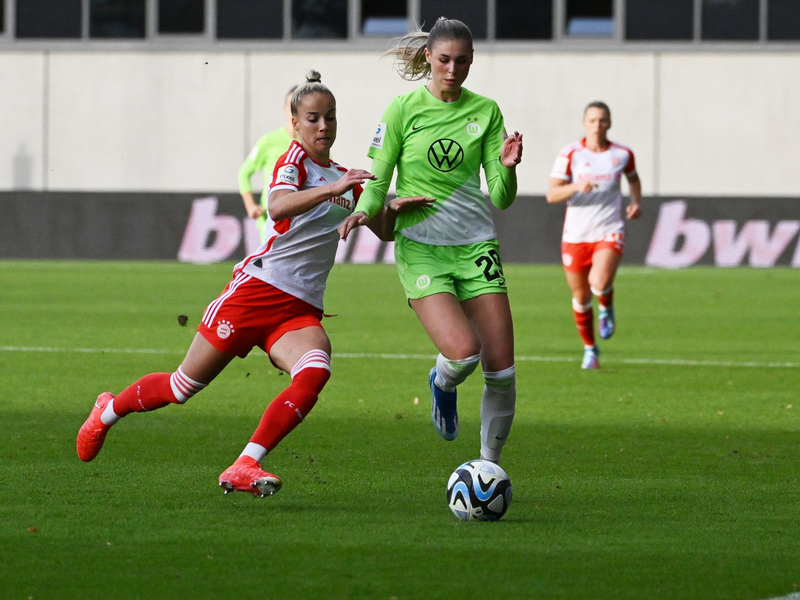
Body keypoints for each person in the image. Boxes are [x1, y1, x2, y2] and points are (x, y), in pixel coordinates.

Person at [77, 71, 429, 497]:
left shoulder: (345, 177)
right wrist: (332, 189)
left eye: (330, 117)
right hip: (256, 291)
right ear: (296, 125)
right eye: (313, 118)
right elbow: (277, 205)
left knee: (315, 369)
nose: (323, 126)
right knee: (181, 387)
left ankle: (245, 463)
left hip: (299, 309)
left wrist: (395, 210)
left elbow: (383, 231)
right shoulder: (292, 162)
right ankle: (106, 411)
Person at [338, 18, 523, 465]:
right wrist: (366, 209)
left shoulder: (486, 111)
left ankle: (487, 468)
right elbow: (379, 180)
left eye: (462, 61)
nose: (453, 70)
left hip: (476, 246)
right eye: (444, 60)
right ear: (428, 58)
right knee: (463, 354)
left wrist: (509, 166)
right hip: (421, 246)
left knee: (502, 370)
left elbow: (501, 197)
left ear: (472, 61)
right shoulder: (402, 109)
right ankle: (441, 384)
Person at [546, 101, 642, 369]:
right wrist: (576, 186)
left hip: (608, 229)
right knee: (581, 297)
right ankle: (590, 349)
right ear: (584, 124)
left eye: (602, 120)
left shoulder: (622, 154)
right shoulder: (570, 154)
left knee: (598, 282)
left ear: (609, 123)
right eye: (592, 120)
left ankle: (607, 306)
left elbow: (633, 179)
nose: (597, 125)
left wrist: (635, 202)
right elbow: (552, 194)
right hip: (576, 235)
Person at [239, 86, 297, 242]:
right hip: (272, 219)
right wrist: (250, 206)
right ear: (284, 109)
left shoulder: (313, 144)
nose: (295, 110)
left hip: (301, 219)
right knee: (275, 266)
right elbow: (244, 173)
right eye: (291, 105)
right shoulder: (269, 140)